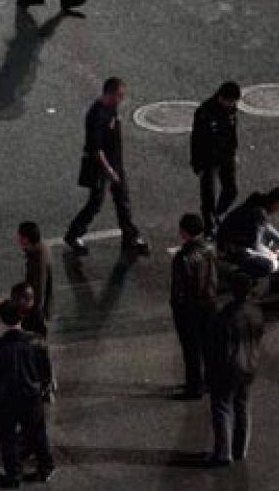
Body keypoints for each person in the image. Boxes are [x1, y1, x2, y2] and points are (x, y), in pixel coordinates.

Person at [63, 78, 150, 257]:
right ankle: (73, 234)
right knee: (95, 203)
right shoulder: (96, 115)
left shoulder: (111, 108)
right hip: (99, 167)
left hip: (115, 163)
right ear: (110, 94)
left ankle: (130, 237)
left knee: (123, 201)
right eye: (119, 96)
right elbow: (96, 149)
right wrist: (110, 171)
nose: (121, 100)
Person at [0, 301, 57, 488]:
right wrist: (43, 389)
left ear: (2, 319)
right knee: (37, 434)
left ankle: (13, 475)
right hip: (31, 397)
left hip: (4, 400)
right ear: (22, 315)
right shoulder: (37, 342)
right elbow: (46, 371)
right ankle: (45, 467)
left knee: (7, 438)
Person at [203, 274, 265, 466]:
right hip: (249, 365)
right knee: (242, 406)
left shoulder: (226, 315)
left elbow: (218, 346)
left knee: (222, 407)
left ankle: (223, 452)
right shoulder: (256, 313)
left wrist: (210, 372)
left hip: (228, 367)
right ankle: (240, 449)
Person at [169, 214, 219, 400]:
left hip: (190, 307)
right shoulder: (210, 248)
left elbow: (179, 287)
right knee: (208, 345)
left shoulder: (183, 258)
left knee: (191, 348)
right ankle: (211, 381)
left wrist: (176, 306)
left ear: (184, 232)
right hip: (210, 302)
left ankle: (194, 386)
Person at [191, 82, 242, 237]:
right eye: (230, 101)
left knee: (231, 190)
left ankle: (217, 215)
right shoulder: (205, 112)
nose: (232, 104)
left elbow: (232, 131)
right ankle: (209, 226)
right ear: (221, 97)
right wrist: (197, 164)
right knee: (208, 197)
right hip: (208, 159)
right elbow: (196, 140)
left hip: (226, 155)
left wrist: (234, 151)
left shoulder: (230, 110)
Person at [216, 187, 279, 278]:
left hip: (228, 239)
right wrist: (273, 255)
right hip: (230, 248)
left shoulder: (257, 203)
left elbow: (266, 227)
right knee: (272, 266)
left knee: (268, 244)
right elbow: (254, 244)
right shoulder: (259, 213)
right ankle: (234, 270)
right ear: (276, 203)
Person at [17, 221, 53, 334]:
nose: (17, 239)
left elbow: (39, 288)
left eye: (20, 236)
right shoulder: (39, 248)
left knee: (34, 334)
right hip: (38, 305)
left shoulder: (38, 259)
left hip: (37, 309)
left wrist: (31, 311)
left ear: (26, 239)